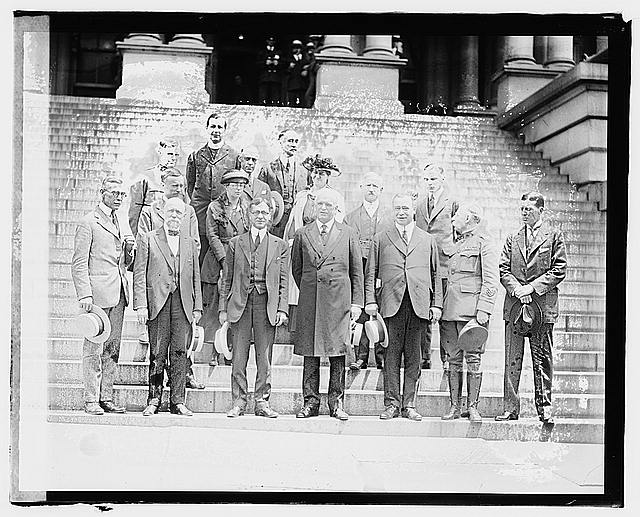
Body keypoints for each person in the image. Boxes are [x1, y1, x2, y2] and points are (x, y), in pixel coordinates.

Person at [364, 193, 443, 421]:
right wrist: (371, 300)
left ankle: (409, 404)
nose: (401, 212)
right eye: (397, 208)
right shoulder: (381, 238)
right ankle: (391, 404)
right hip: (390, 304)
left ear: (413, 211)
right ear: (392, 210)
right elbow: (371, 273)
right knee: (390, 357)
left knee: (414, 358)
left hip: (418, 305)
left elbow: (437, 274)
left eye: (405, 208)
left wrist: (436, 304)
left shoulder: (427, 239)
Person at [291, 187, 364, 421]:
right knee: (310, 352)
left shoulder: (348, 233)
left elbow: (357, 272)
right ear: (314, 206)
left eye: (328, 205)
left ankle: (336, 402)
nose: (323, 208)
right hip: (311, 300)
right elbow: (297, 269)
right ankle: (310, 402)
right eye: (320, 204)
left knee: (337, 352)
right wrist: (311, 288)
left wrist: (356, 303)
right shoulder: (303, 234)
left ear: (336, 209)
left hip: (338, 301)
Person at [496, 192, 567, 424]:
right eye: (522, 209)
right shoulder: (512, 238)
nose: (525, 213)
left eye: (530, 209)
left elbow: (559, 270)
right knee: (512, 359)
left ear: (541, 211)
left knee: (542, 358)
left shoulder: (554, 236)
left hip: (542, 308)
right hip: (516, 307)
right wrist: (516, 288)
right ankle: (510, 408)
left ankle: (545, 408)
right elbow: (504, 269)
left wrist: (532, 288)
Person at [219, 197, 289, 418]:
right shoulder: (235, 243)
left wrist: (282, 309)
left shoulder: (280, 245)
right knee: (238, 356)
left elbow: (284, 281)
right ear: (249, 216)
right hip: (240, 303)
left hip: (266, 305)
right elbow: (227, 278)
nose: (260, 216)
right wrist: (223, 309)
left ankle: (262, 401)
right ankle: (239, 401)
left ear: (270, 217)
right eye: (256, 212)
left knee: (264, 357)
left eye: (264, 213)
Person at [133, 197, 203, 417]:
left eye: (179, 213)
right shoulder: (148, 239)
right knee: (157, 353)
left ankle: (178, 401)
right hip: (157, 303)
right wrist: (141, 306)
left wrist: (197, 307)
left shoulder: (190, 242)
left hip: (183, 303)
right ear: (162, 212)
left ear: (184, 217)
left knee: (180, 353)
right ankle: (153, 399)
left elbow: (195, 278)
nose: (174, 216)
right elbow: (139, 275)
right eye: (171, 211)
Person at [71, 176, 131, 415]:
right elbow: (78, 263)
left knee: (112, 349)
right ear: (102, 193)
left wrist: (129, 249)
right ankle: (90, 399)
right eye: (114, 193)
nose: (118, 197)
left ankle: (106, 396)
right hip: (96, 295)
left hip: (119, 293)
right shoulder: (89, 222)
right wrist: (84, 294)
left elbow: (123, 262)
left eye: (122, 194)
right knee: (94, 348)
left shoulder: (121, 221)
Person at [440, 204, 499, 422]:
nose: (453, 218)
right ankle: (455, 407)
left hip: (473, 312)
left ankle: (473, 407)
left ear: (471, 220)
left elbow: (491, 279)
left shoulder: (485, 244)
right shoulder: (455, 244)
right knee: (453, 359)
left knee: (473, 359)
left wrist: (484, 308)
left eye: (457, 216)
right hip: (450, 312)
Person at [283, 155, 345, 332]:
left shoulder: (335, 197)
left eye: (322, 173)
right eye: (315, 172)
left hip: (324, 249)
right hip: (303, 246)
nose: (318, 176)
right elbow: (293, 223)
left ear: (328, 177)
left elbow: (337, 225)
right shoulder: (303, 196)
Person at [201, 169, 250, 365]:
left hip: (240, 260)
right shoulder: (215, 207)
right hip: (217, 260)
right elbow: (211, 236)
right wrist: (224, 259)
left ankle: (230, 349)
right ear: (227, 186)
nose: (239, 188)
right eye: (235, 185)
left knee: (236, 305)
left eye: (242, 185)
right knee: (215, 307)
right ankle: (214, 349)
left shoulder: (247, 207)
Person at [415, 161, 459, 370]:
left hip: (444, 262)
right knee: (424, 311)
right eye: (426, 179)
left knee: (445, 312)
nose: (430, 183)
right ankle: (424, 358)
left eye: (433, 179)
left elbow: (459, 232)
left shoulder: (452, 202)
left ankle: (447, 359)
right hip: (423, 262)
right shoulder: (419, 201)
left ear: (442, 179)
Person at [344, 172, 390, 370]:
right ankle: (360, 356)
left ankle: (382, 355)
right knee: (361, 309)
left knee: (381, 309)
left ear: (381, 190)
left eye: (375, 186)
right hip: (359, 267)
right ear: (361, 187)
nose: (371, 189)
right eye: (368, 185)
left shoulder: (389, 217)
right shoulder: (351, 217)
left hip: (382, 267)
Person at [186, 112, 239, 267]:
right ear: (207, 128)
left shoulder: (234, 156)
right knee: (200, 250)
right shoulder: (195, 156)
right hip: (200, 210)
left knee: (221, 252)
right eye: (213, 126)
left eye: (219, 127)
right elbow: (190, 185)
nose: (216, 130)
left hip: (223, 210)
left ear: (225, 130)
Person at [258, 129, 308, 238]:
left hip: (296, 223)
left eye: (295, 141)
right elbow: (259, 197)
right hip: (274, 223)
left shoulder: (304, 171)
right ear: (281, 142)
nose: (293, 145)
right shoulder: (268, 169)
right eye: (290, 141)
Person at [128, 137, 180, 240]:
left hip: (172, 234)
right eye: (169, 154)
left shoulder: (180, 180)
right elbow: (134, 213)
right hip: (150, 233)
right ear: (160, 152)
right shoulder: (145, 178)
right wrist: (139, 239)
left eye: (176, 155)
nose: (173, 158)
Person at [257, 36, 283, 106]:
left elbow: (284, 64)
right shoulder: (262, 52)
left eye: (272, 41)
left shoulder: (279, 52)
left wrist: (278, 64)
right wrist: (265, 63)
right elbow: (257, 64)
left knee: (275, 97)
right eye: (269, 40)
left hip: (275, 77)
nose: (271, 42)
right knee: (263, 97)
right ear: (267, 41)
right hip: (265, 77)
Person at [285, 40, 306, 107]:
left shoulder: (304, 59)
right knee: (292, 101)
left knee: (302, 101)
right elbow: (284, 71)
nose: (295, 49)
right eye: (294, 48)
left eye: (297, 48)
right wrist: (289, 68)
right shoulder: (288, 59)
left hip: (302, 84)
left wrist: (306, 69)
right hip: (292, 84)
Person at [303, 42, 319, 109]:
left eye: (311, 48)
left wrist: (308, 67)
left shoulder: (317, 53)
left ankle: (310, 106)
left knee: (310, 93)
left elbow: (315, 63)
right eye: (309, 49)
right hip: (308, 78)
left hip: (314, 76)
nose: (310, 50)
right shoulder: (307, 57)